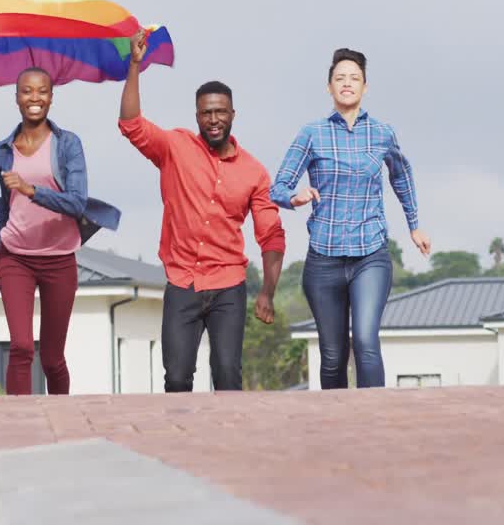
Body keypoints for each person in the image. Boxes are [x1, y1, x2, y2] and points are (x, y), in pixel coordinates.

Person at [118, 33, 285, 391]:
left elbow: (271, 235)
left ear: (232, 114)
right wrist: (135, 65)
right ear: (197, 115)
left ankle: (228, 445)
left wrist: (268, 291)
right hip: (183, 281)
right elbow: (131, 125)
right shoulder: (175, 147)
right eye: (206, 112)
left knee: (227, 374)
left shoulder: (254, 171)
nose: (214, 119)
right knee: (177, 378)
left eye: (220, 112)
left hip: (228, 285)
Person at [270, 47, 431, 389]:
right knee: (332, 354)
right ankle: (337, 428)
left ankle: (376, 421)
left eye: (354, 78)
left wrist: (414, 225)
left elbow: (401, 177)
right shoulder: (311, 134)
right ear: (329, 87)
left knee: (366, 343)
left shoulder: (382, 133)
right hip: (324, 260)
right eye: (340, 78)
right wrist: (294, 197)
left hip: (369, 255)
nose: (347, 83)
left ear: (365, 87)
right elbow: (278, 186)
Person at [0, 66, 120, 395]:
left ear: (51, 97)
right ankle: (17, 428)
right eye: (27, 91)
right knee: (20, 347)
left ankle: (62, 422)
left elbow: (76, 203)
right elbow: (6, 205)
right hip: (15, 256)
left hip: (59, 260)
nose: (35, 98)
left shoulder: (68, 145)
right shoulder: (0, 152)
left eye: (42, 91)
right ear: (16, 97)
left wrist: (32, 190)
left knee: (52, 358)